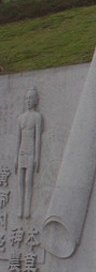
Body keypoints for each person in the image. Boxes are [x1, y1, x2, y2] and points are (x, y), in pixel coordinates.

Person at [15, 87, 43, 218]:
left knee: (28, 181)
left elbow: (38, 138)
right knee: (20, 182)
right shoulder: (20, 118)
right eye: (26, 98)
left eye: (31, 98)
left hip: (31, 152)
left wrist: (37, 157)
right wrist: (15, 158)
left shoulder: (37, 117)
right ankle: (20, 208)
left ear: (36, 100)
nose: (28, 100)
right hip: (22, 152)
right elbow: (18, 139)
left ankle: (27, 209)